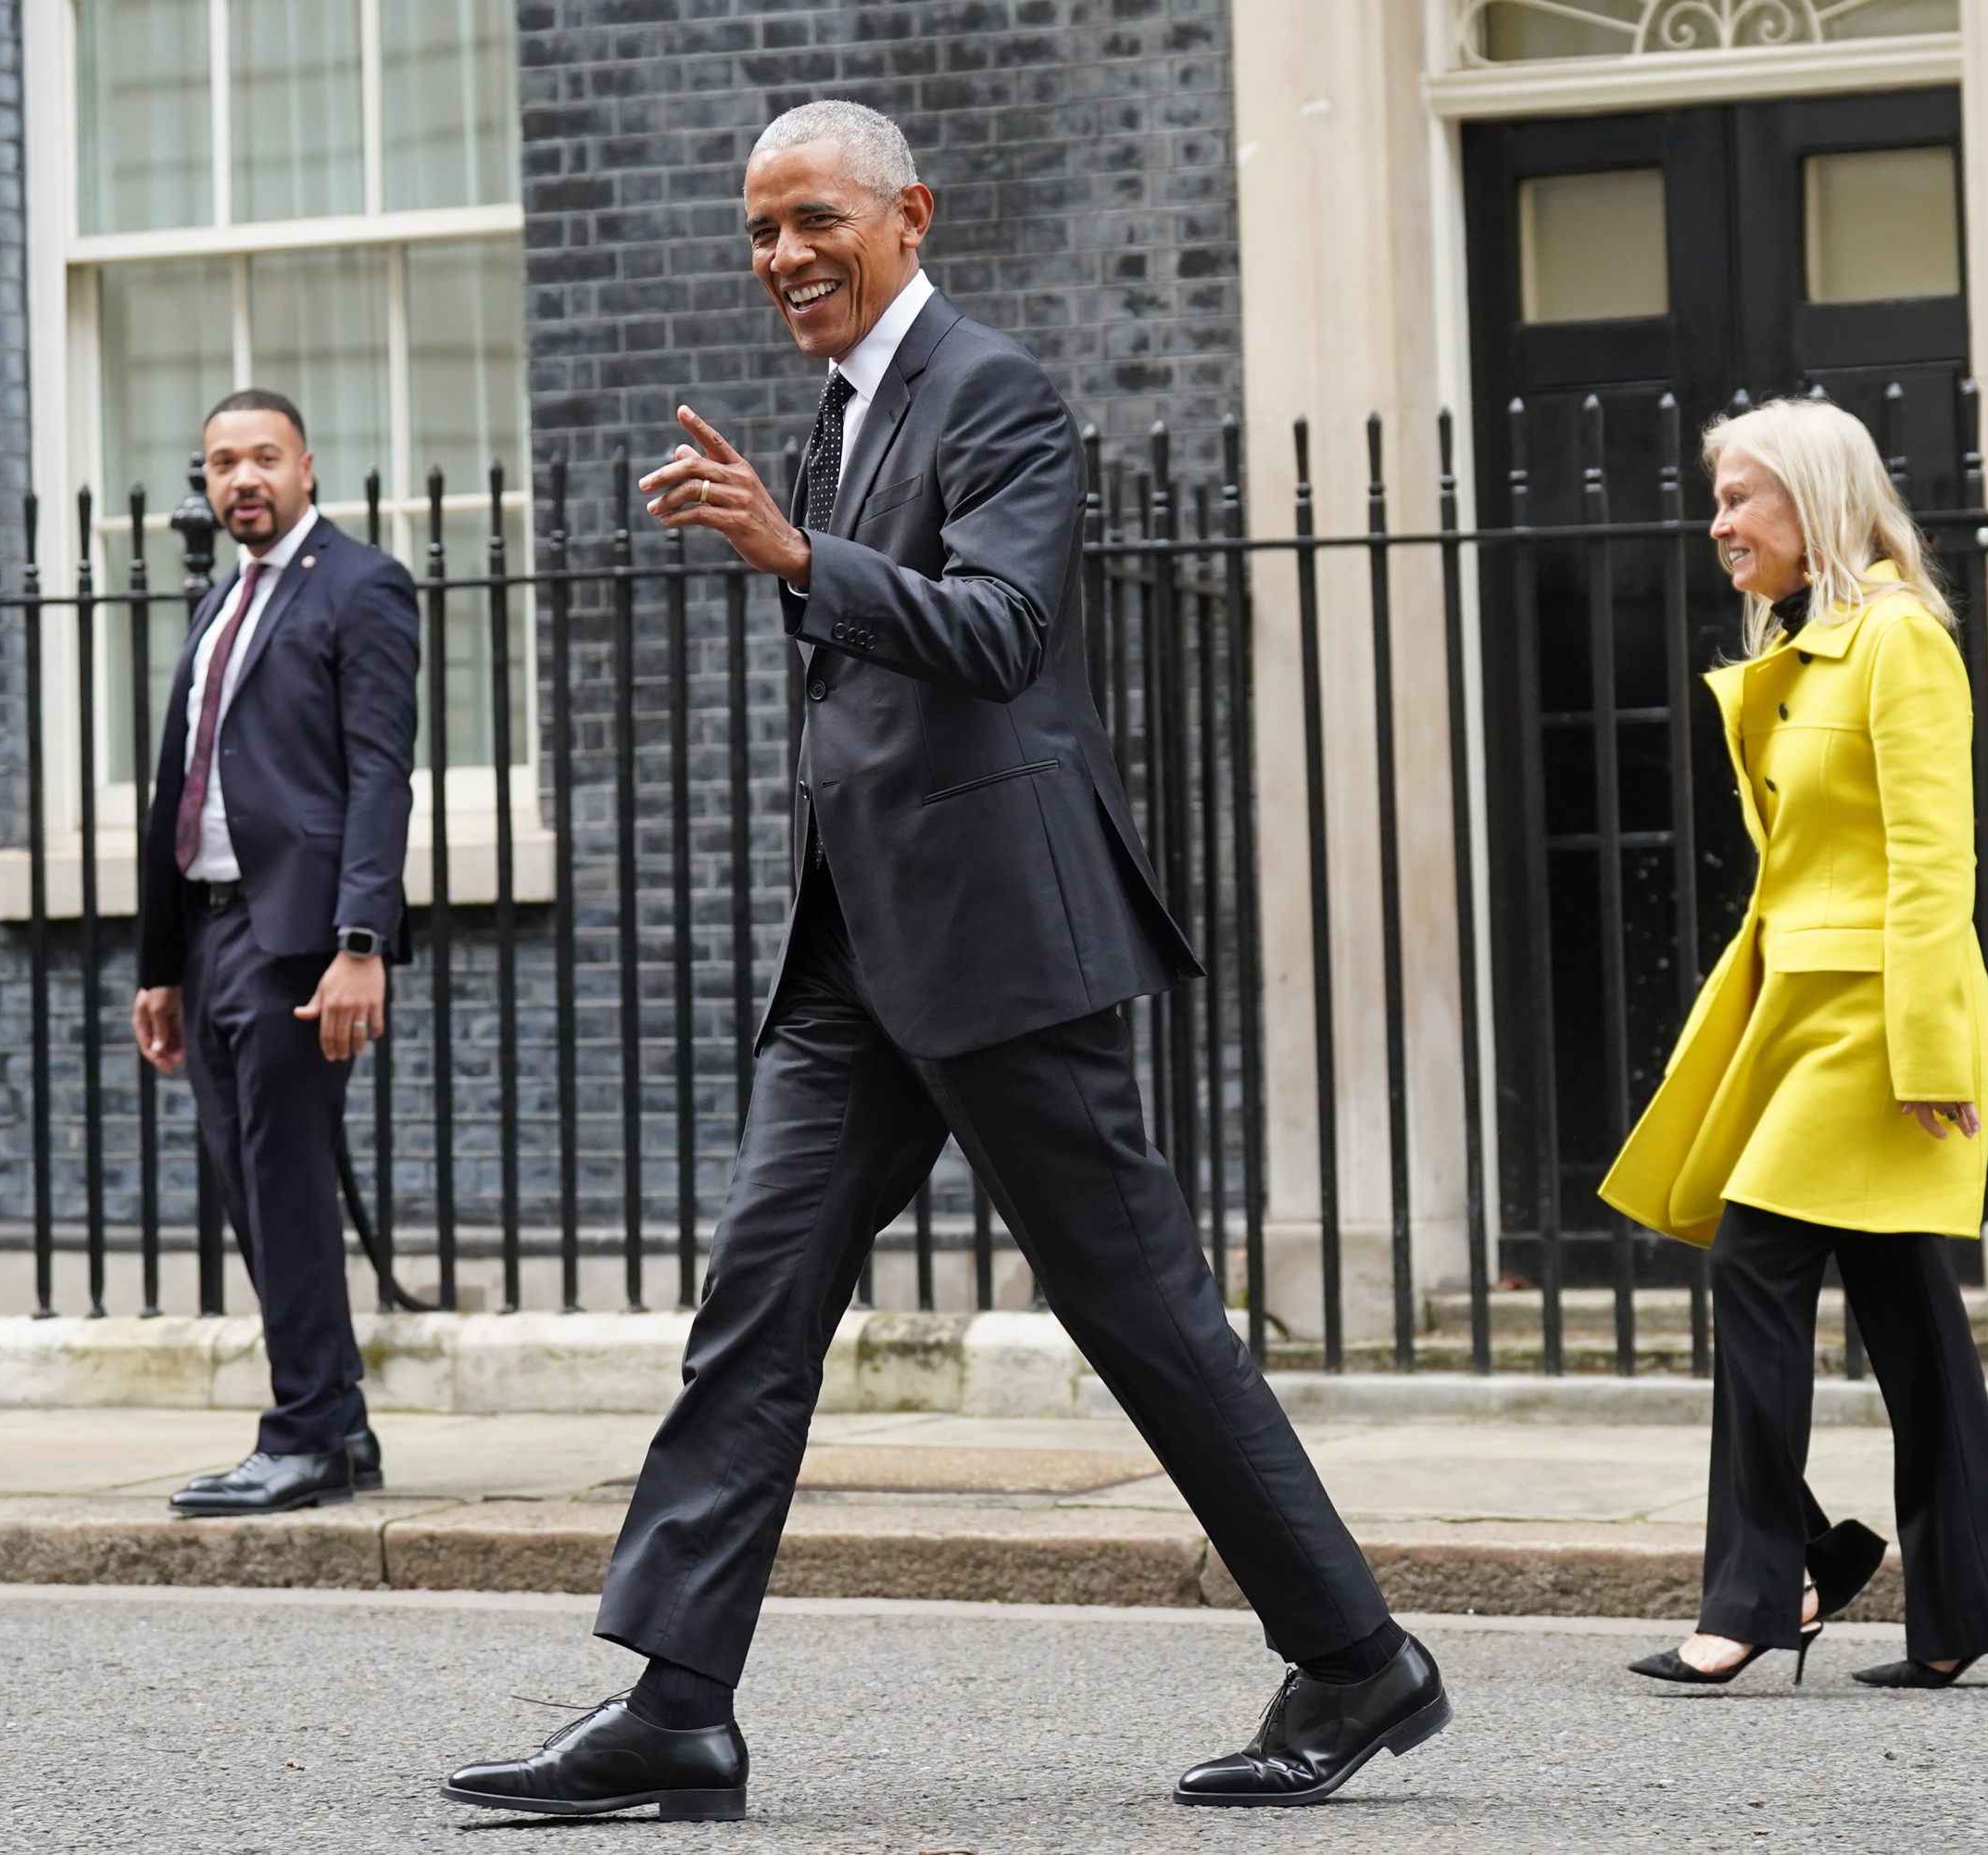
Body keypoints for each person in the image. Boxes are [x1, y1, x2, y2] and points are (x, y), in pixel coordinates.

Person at [438, 101, 1445, 1823]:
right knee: (754, 1307)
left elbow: (1003, 630)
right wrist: (801, 535)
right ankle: (677, 1703)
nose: (782, 258)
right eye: (759, 230)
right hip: (857, 949)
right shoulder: (840, 417)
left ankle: (1358, 1657)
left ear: (910, 213)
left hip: (1002, 945)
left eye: (811, 219)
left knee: (1141, 1315)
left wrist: (794, 551)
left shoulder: (992, 389)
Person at [1598, 397, 1988, 1690]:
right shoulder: (1817, 644)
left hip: (1867, 1014)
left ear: (1815, 500)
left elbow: (1931, 860)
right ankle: (1965, 1601)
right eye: (1722, 499)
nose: (1719, 522)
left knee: (1754, 1259)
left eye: (1743, 497)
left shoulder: (1900, 642)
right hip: (1798, 1006)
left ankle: (1768, 1579)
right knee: (1906, 1311)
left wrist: (1931, 1056)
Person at [134, 388, 419, 1519]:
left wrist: (361, 942)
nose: (241, 478)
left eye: (263, 458)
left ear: (308, 465)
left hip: (296, 934)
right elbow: (181, 788)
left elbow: (379, 773)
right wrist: (160, 965)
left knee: (283, 1179)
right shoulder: (218, 603)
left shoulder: (362, 587)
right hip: (207, 935)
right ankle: (336, 1424)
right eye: (220, 464)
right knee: (251, 1184)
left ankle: (302, 1430)